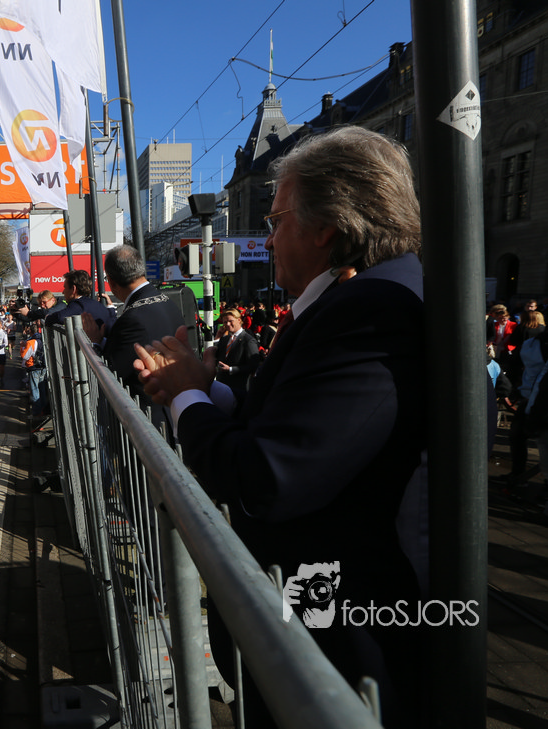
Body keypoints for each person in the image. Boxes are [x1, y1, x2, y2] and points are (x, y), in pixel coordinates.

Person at [134, 126, 427, 728]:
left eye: (276, 221)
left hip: (335, 650)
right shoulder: (364, 296)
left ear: (326, 227)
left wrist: (186, 396)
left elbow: (267, 476)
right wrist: (207, 388)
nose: (267, 240)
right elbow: (297, 417)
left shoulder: (373, 309)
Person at [82, 244, 190, 402]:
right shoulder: (168, 301)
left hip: (148, 409)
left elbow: (110, 375)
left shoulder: (132, 319)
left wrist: (95, 344)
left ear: (111, 281)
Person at [44, 269, 116, 333]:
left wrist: (48, 318)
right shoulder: (93, 303)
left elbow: (60, 317)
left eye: (65, 288)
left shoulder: (79, 304)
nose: (63, 292)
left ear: (73, 289)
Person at [213, 308, 261, 391]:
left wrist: (231, 369)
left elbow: (253, 366)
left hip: (238, 387)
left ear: (239, 320)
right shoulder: (225, 339)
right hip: (222, 385)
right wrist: (217, 337)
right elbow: (216, 356)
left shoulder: (248, 340)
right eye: (225, 322)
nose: (228, 324)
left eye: (230, 321)